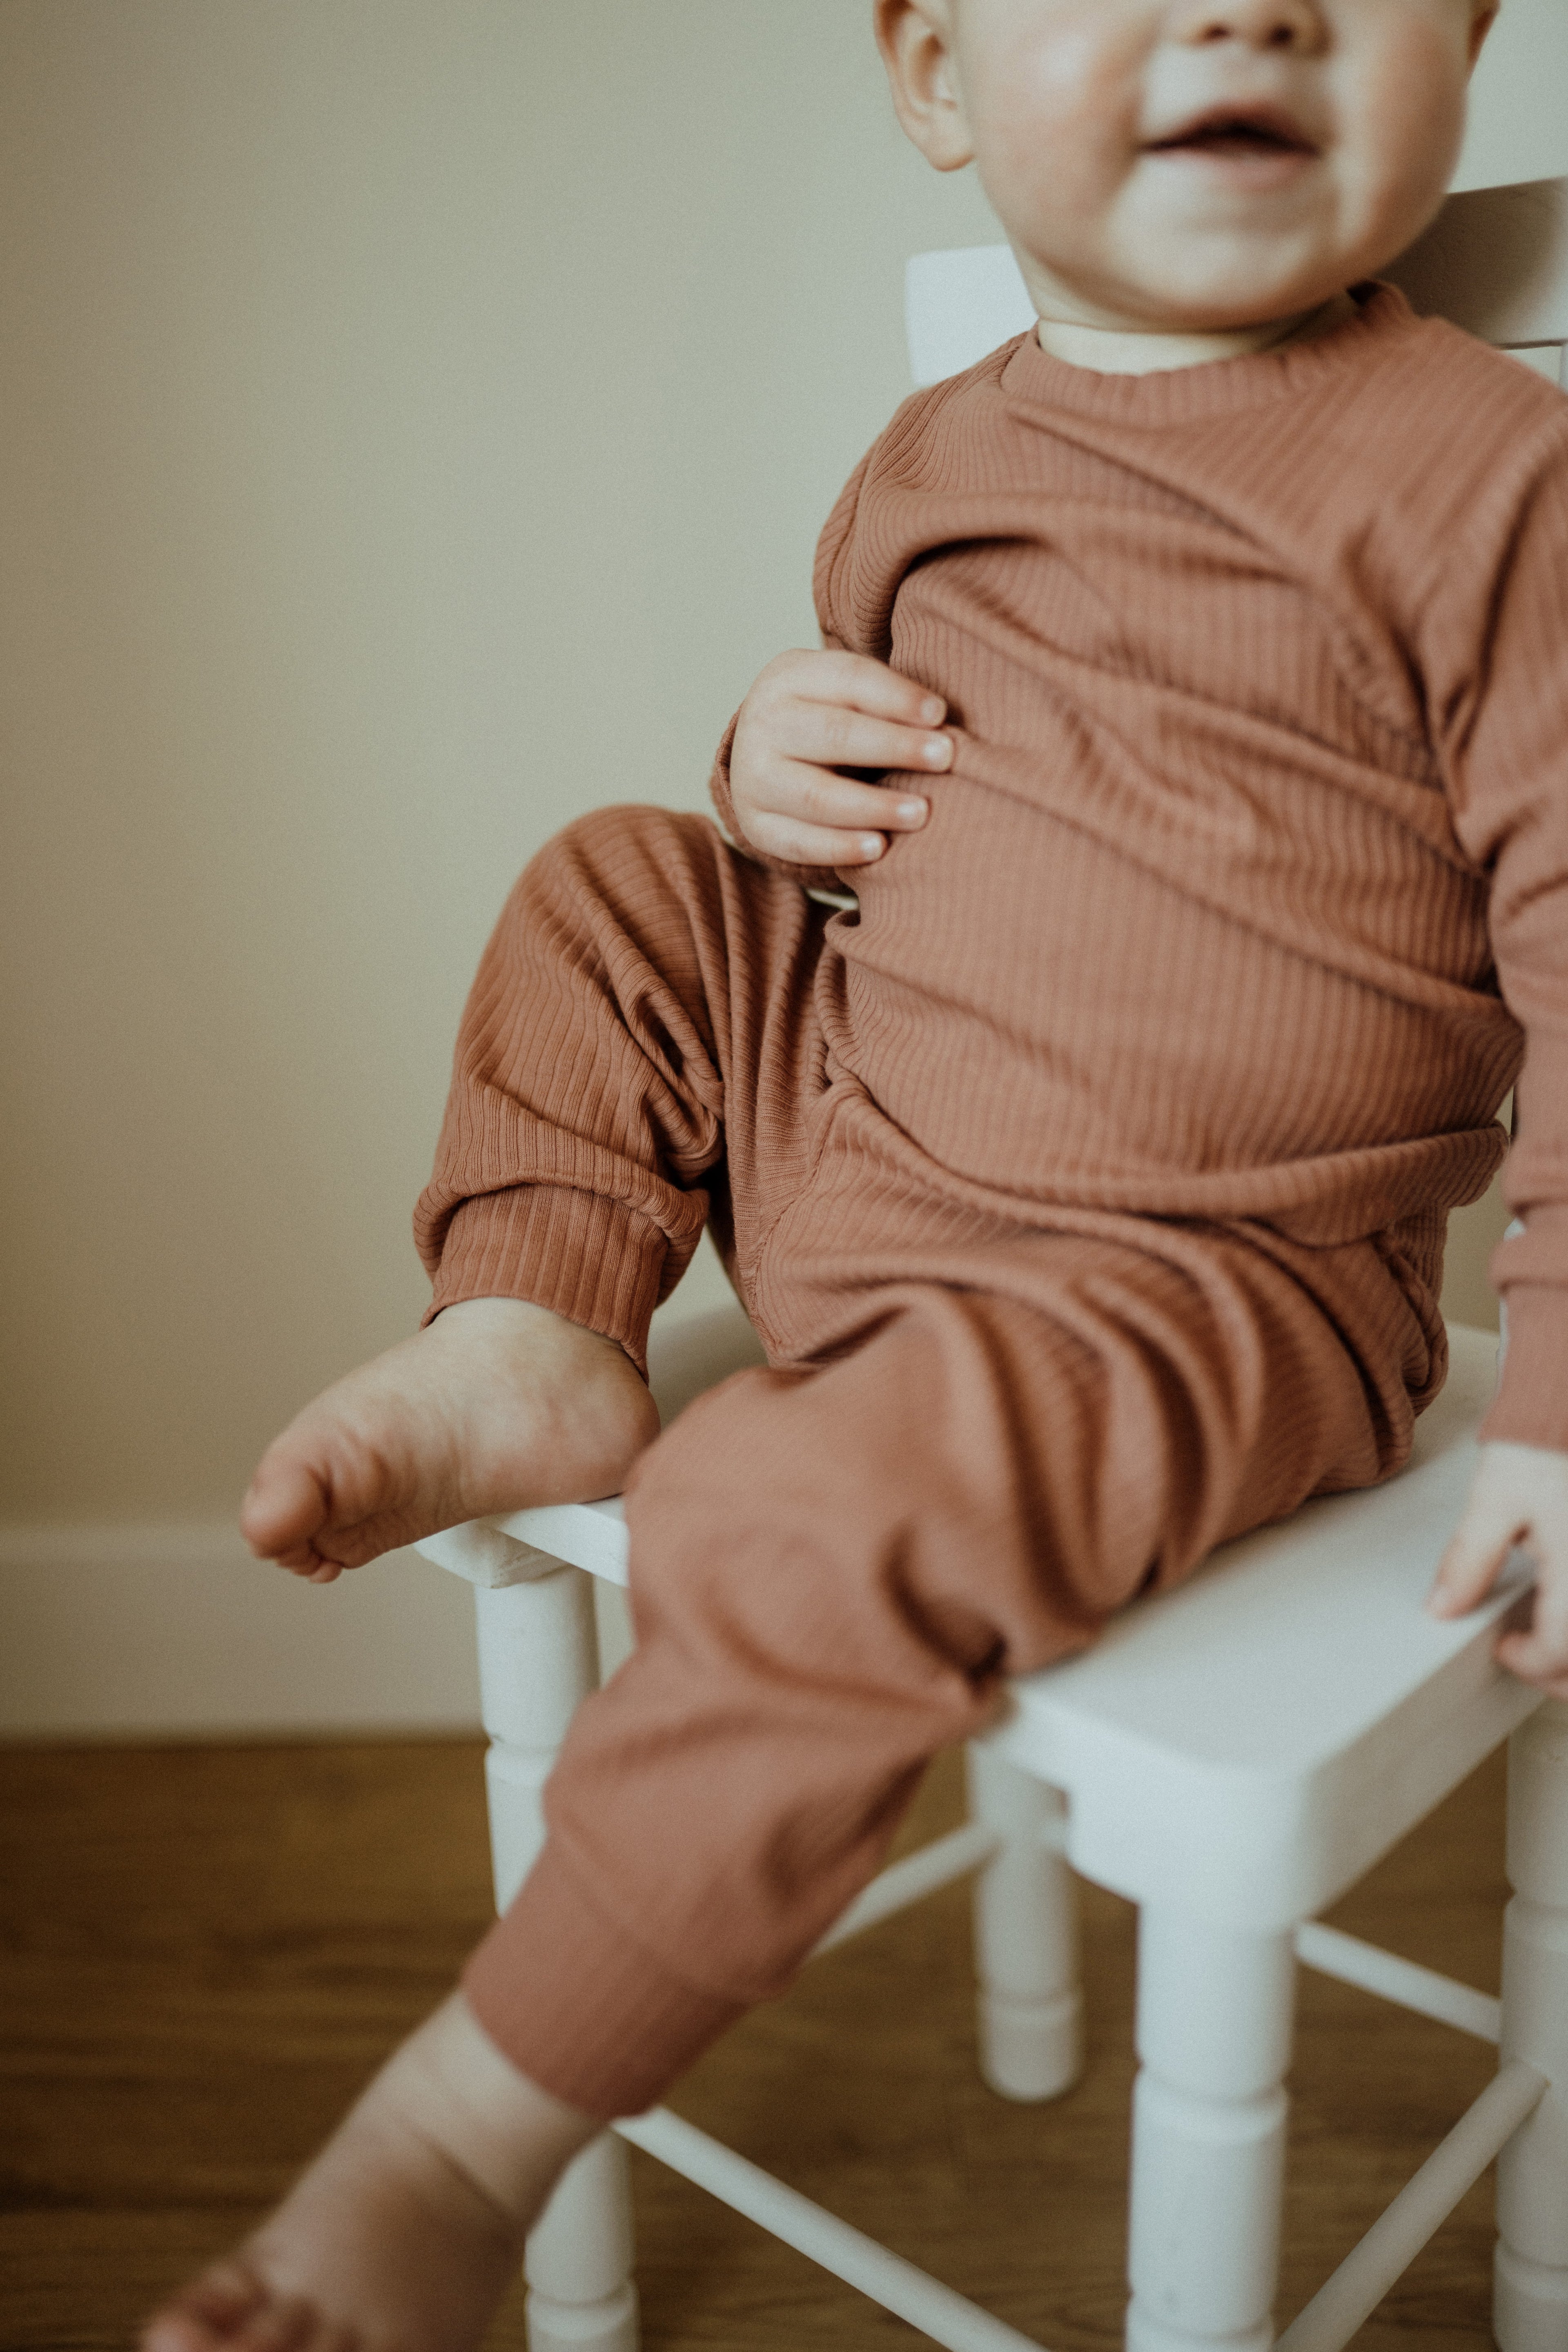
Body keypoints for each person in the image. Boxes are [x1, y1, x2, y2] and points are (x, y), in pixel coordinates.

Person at [144, 2, 1568, 2346]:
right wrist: (767, 758)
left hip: (1200, 1283)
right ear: (933, 84)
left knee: (803, 1526)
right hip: (868, 1145)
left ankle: (448, 2145)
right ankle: (540, 1319)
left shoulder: (1487, 475)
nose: (1248, 6)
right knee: (616, 883)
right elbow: (893, 836)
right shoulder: (940, 447)